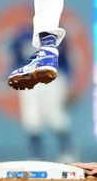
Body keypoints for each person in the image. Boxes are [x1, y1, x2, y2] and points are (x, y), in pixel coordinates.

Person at [10, 26, 74, 161]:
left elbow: (66, 60)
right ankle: (36, 154)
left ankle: (66, 152)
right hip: (29, 77)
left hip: (53, 78)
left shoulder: (56, 32)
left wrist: (68, 83)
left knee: (56, 116)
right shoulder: (23, 34)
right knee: (31, 117)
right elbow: (15, 57)